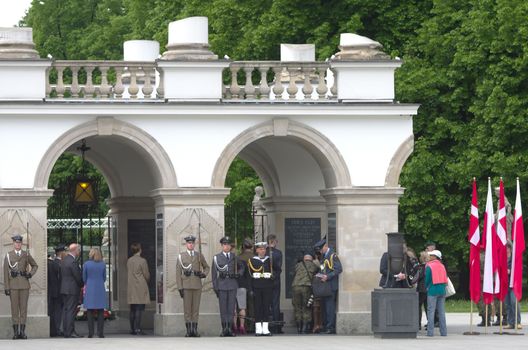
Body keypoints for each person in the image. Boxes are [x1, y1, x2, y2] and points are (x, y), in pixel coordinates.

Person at [3, 234, 38, 340]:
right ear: (13, 243)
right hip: (13, 285)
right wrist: (6, 287)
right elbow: (5, 272)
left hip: (24, 284)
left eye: (19, 242)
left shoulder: (26, 254)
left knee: (23, 309)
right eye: (16, 242)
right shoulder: (8, 255)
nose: (17, 244)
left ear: (21, 244)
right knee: (14, 309)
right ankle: (15, 332)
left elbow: (35, 265)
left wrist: (30, 274)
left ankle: (22, 332)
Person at [176, 235, 209, 337]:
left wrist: (203, 274)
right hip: (186, 285)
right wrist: (180, 288)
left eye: (192, 243)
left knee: (195, 309)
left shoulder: (199, 255)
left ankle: (194, 330)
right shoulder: (181, 256)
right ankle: (188, 330)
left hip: (197, 284)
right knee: (187, 310)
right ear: (186, 244)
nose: (190, 244)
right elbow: (178, 273)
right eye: (189, 243)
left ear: (194, 244)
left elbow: (206, 267)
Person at [212, 236, 243, 336]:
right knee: (223, 309)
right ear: (222, 246)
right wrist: (216, 287)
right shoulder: (217, 257)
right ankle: (224, 329)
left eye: (228, 244)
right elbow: (214, 274)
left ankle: (229, 328)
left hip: (232, 284)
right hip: (221, 285)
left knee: (231, 308)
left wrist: (239, 273)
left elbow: (242, 267)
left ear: (230, 246)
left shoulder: (235, 256)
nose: (227, 246)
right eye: (225, 244)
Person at [314, 237, 342, 334]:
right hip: (324, 286)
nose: (320, 252)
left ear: (325, 247)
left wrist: (327, 276)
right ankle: (326, 326)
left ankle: (330, 327)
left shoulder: (332, 255)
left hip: (330, 285)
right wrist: (319, 274)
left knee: (330, 307)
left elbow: (339, 269)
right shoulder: (324, 256)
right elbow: (323, 268)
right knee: (324, 307)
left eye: (321, 250)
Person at [248, 241, 273, 336]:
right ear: (257, 250)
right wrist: (250, 288)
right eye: (261, 249)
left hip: (267, 286)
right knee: (257, 307)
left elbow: (277, 270)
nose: (263, 251)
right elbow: (249, 276)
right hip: (256, 286)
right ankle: (258, 328)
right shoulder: (252, 261)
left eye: (264, 249)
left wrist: (273, 277)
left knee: (266, 307)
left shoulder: (269, 260)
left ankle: (265, 328)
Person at [83, 247, 106, 338]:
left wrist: (88, 282)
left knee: (90, 311)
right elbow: (104, 278)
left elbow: (84, 278)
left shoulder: (87, 264)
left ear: (91, 254)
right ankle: (100, 333)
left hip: (90, 287)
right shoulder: (103, 264)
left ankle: (90, 333)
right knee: (101, 311)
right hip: (100, 287)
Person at [127, 243, 150, 335]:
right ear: (139, 250)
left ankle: (132, 329)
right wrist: (148, 279)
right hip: (140, 286)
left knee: (132, 308)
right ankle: (137, 329)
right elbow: (146, 274)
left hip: (131, 286)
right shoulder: (142, 261)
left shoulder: (129, 260)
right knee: (139, 309)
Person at [61, 243, 83, 338]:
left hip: (64, 289)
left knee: (66, 310)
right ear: (75, 250)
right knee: (71, 311)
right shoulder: (73, 262)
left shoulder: (65, 260)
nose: (79, 252)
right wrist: (82, 284)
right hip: (72, 289)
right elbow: (77, 276)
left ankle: (66, 331)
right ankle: (70, 332)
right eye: (79, 250)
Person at [291, 253, 318, 334]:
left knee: (297, 307)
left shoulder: (298, 265)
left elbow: (294, 272)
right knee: (307, 307)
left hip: (296, 286)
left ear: (304, 259)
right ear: (311, 259)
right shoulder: (313, 265)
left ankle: (299, 327)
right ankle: (305, 328)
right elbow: (319, 270)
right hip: (307, 287)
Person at [425, 250, 447, 337]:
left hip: (432, 290)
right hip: (442, 290)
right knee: (441, 312)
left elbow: (427, 280)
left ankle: (430, 333)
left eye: (431, 255)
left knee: (431, 311)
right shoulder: (442, 266)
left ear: (435, 257)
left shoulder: (429, 266)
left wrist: (427, 287)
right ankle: (443, 332)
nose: (429, 257)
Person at [236, 239, 253, 334]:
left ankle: (241, 325)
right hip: (252, 284)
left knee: (240, 306)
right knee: (251, 306)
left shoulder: (239, 257)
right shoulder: (255, 257)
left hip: (240, 283)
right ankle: (251, 326)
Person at [266, 234, 283, 334]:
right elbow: (279, 267)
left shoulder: (264, 252)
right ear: (274, 241)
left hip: (266, 281)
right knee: (275, 303)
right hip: (275, 280)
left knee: (266, 303)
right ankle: (276, 326)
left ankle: (268, 325)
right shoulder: (278, 253)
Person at [48, 244, 65, 337]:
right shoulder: (58, 264)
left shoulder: (53, 263)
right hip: (58, 292)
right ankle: (57, 330)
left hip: (55, 291)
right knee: (58, 312)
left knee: (56, 312)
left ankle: (55, 330)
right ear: (61, 253)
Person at [504, 241, 522, 329]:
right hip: (505, 284)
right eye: (505, 248)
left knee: (514, 302)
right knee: (507, 304)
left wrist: (510, 272)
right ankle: (510, 322)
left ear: (511, 249)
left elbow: (518, 270)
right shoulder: (502, 259)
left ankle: (517, 322)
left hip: (513, 284)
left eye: (508, 248)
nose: (506, 249)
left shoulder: (514, 259)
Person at [416, 251, 429, 330]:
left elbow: (418, 277)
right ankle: (430, 324)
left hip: (421, 289)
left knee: (418, 306)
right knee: (428, 308)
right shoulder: (430, 266)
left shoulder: (421, 267)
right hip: (429, 289)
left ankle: (418, 324)